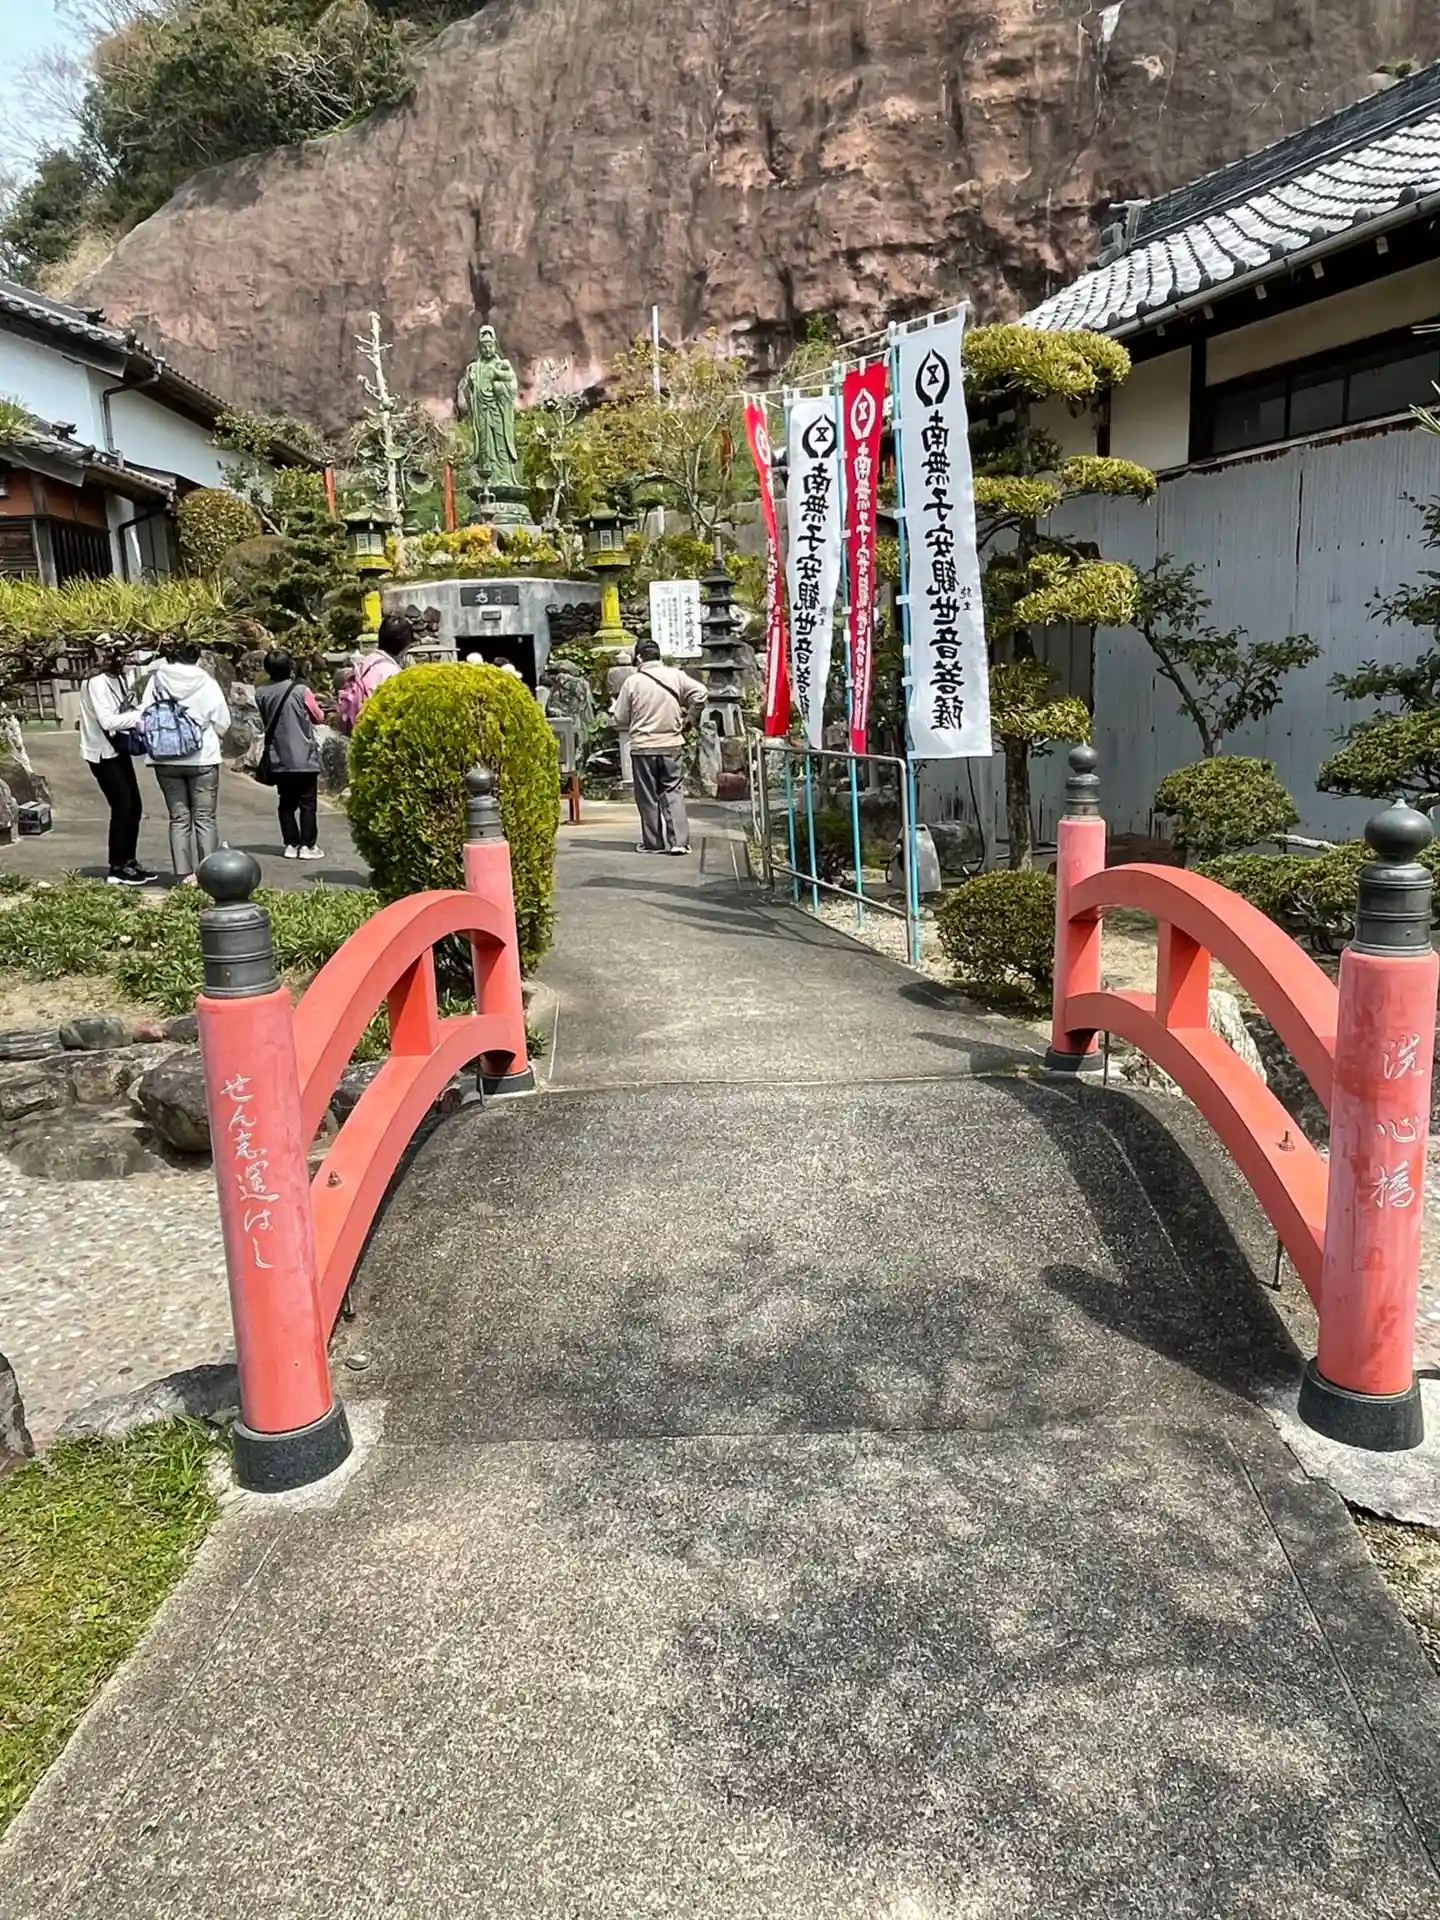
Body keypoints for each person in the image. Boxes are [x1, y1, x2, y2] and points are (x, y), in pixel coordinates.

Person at [138, 642, 232, 886]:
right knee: (205, 818)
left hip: (165, 758)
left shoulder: (156, 681)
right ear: (197, 658)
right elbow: (223, 721)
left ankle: (182, 875)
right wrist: (211, 734)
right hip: (202, 757)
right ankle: (207, 875)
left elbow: (144, 715)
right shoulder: (207, 682)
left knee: (178, 818)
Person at [609, 638, 706, 855]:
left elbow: (620, 718)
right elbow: (701, 693)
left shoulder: (632, 682)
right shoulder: (676, 675)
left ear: (639, 657)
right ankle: (679, 842)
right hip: (672, 744)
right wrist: (690, 718)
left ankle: (653, 843)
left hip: (643, 747)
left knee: (647, 796)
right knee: (672, 791)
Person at [77, 641, 157, 886]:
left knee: (134, 806)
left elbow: (122, 711)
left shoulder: (118, 679)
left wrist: (137, 711)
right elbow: (108, 721)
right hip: (101, 753)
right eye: (113, 653)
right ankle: (117, 867)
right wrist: (140, 715)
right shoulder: (96, 682)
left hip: (117, 749)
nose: (120, 658)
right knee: (122, 807)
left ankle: (129, 861)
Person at [255, 649, 326, 860]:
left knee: (286, 803)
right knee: (307, 803)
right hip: (304, 756)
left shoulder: (261, 692)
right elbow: (318, 716)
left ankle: (291, 843)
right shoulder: (301, 690)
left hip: (279, 756)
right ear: (290, 667)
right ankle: (308, 846)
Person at [337, 613, 411, 732]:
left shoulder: (367, 660)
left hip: (355, 729)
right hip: (372, 734)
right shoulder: (391, 673)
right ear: (405, 647)